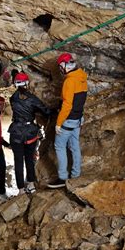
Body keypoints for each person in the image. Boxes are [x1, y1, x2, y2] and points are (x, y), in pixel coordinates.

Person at [48, 53, 88, 188]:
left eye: (61, 66)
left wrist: (59, 123)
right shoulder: (82, 77)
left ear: (65, 65)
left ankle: (62, 177)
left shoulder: (69, 81)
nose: (60, 69)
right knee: (74, 146)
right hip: (77, 119)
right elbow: (80, 100)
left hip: (68, 120)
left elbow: (67, 105)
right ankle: (76, 175)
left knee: (59, 146)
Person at [8, 72, 51, 194]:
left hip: (16, 132)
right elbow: (45, 111)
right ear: (26, 83)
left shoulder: (12, 99)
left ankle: (21, 189)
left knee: (18, 161)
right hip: (29, 133)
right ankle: (31, 185)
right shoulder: (32, 99)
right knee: (29, 159)